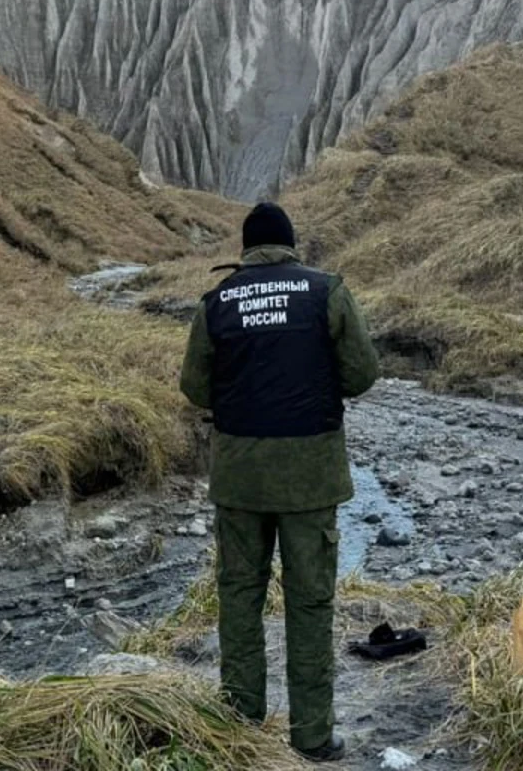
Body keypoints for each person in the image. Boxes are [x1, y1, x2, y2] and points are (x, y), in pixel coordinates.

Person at [179, 201, 380, 762]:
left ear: (245, 250)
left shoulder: (217, 303)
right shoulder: (326, 292)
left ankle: (241, 721)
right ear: (291, 245)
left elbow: (194, 385)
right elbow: (363, 373)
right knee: (310, 601)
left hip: (240, 477)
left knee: (240, 596)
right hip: (310, 478)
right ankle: (312, 736)